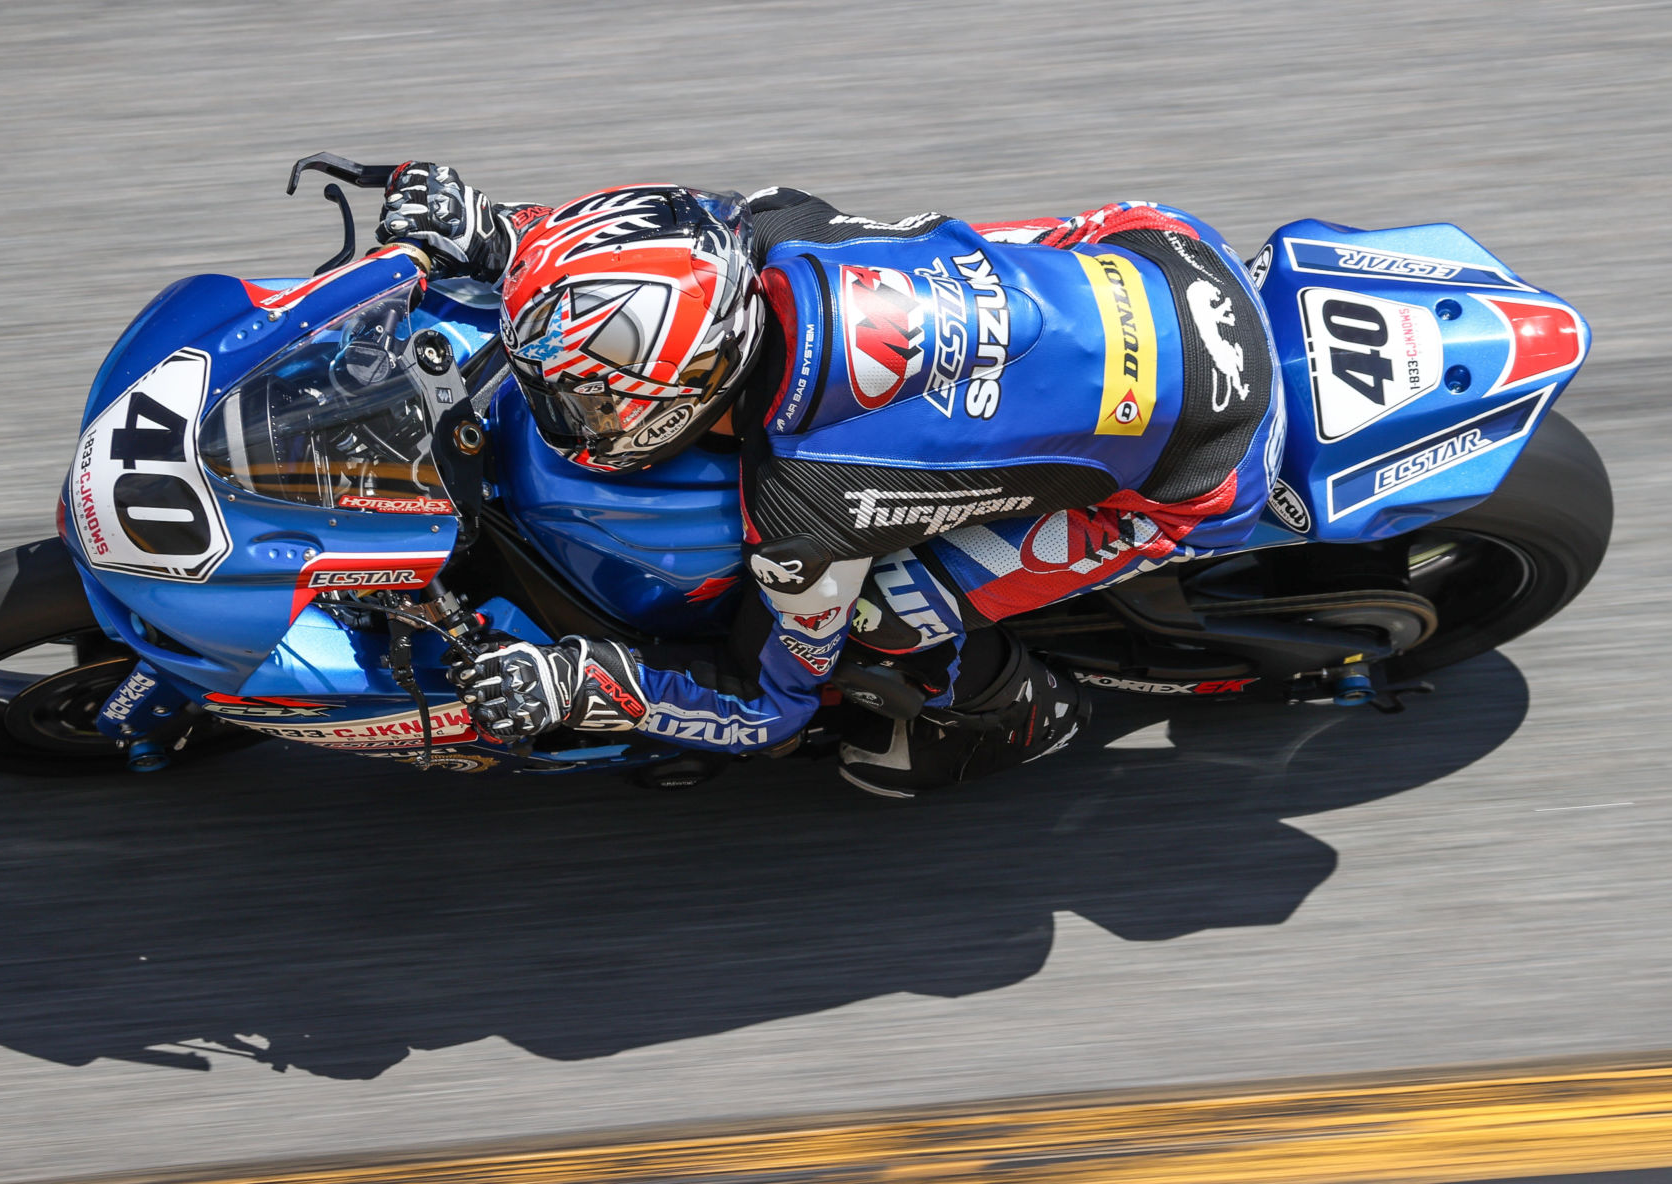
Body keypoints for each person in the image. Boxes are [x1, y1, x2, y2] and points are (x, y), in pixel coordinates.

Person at [379, 163, 1283, 797]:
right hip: (1168, 250)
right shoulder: (768, 228)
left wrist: (578, 682)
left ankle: (1009, 710)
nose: (571, 419)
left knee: (882, 615)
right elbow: (656, 239)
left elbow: (768, 705)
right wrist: (495, 233)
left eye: (586, 403)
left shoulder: (805, 510)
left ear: (689, 390)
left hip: (1203, 465)